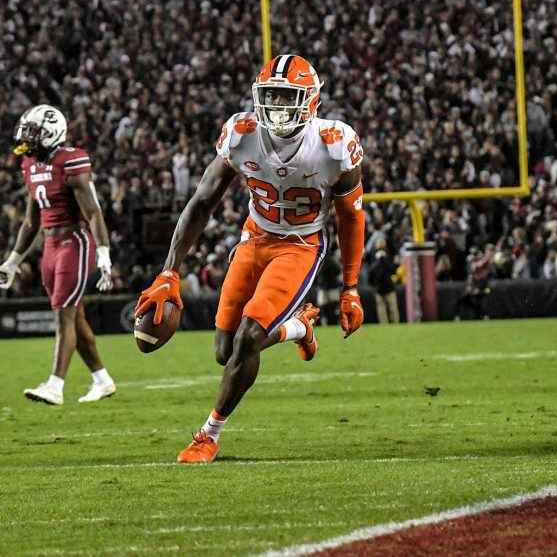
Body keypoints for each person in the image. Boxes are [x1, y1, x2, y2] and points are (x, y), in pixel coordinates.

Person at [136, 55, 365, 463]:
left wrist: (350, 287)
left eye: (287, 96)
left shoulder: (333, 146)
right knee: (226, 351)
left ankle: (208, 434)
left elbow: (351, 217)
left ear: (310, 100)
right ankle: (298, 329)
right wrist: (169, 270)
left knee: (248, 338)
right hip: (254, 237)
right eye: (271, 96)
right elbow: (202, 201)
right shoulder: (242, 134)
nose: (277, 106)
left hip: (299, 246)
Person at [0, 105, 116, 405]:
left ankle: (55, 385)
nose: (26, 138)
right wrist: (13, 261)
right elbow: (30, 220)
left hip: (74, 243)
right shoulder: (30, 165)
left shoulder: (70, 160)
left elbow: (93, 211)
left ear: (51, 132)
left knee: (63, 313)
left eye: (33, 132)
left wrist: (104, 253)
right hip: (49, 248)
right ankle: (102, 379)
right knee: (74, 318)